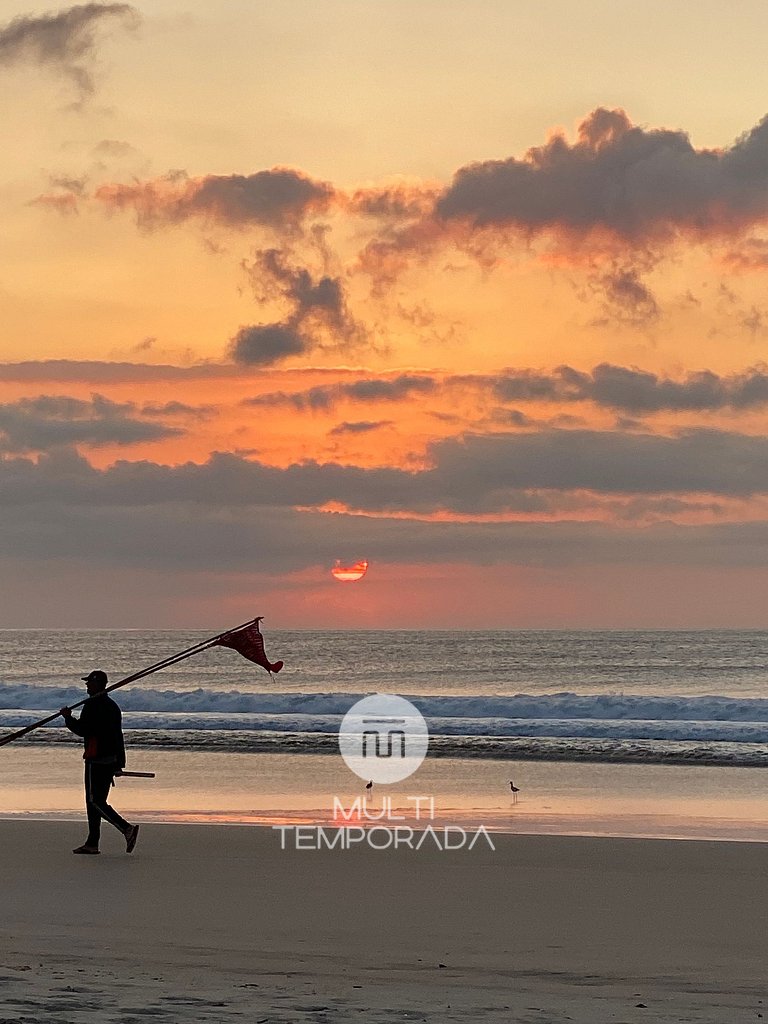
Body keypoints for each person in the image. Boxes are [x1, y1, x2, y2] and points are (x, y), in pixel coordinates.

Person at [60, 669, 140, 856]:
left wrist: (68, 718)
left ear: (98, 684)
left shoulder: (93, 705)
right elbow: (118, 736)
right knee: (96, 801)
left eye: (90, 683)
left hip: (96, 759)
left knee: (94, 801)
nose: (87, 685)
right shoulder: (111, 706)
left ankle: (126, 828)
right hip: (110, 759)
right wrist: (119, 762)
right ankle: (92, 843)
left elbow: (83, 729)